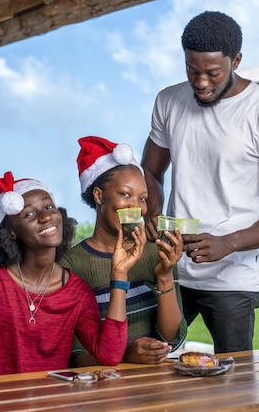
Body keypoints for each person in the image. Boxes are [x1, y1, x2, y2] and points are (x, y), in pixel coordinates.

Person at [141, 11, 259, 353]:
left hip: (233, 277)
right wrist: (153, 211)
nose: (201, 82)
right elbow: (151, 171)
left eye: (213, 73)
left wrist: (228, 243)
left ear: (236, 61)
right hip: (171, 267)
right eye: (192, 70)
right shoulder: (168, 101)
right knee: (147, 366)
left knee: (235, 387)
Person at [0, 171, 145, 379]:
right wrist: (4, 401)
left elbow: (109, 355)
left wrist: (119, 274)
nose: (46, 216)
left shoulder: (77, 292)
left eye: (49, 207)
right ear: (11, 231)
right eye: (29, 214)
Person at [60, 136, 187, 365]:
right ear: (99, 196)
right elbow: (74, 357)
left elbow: (170, 338)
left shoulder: (155, 251)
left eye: (143, 198)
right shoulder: (71, 265)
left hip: (155, 380)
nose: (136, 207)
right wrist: (127, 356)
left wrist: (165, 274)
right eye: (125, 194)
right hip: (104, 386)